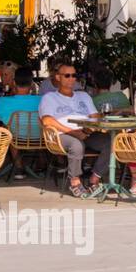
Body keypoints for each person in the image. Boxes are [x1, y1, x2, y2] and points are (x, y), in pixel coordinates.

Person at [38, 62, 108, 198]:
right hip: (62, 134)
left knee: (110, 141)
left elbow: (95, 117)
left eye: (74, 75)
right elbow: (47, 121)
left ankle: (94, 179)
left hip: (86, 132)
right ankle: (75, 182)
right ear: (58, 77)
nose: (72, 78)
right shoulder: (49, 98)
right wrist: (72, 132)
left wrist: (91, 128)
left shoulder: (84, 96)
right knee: (76, 145)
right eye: (67, 75)